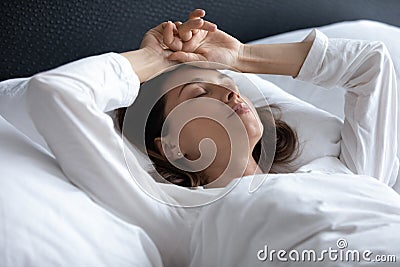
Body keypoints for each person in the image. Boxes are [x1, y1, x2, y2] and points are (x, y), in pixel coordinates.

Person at [2, 8, 398, 266]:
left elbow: (372, 64)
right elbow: (53, 93)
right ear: (170, 145)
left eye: (227, 84)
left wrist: (241, 56)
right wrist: (151, 60)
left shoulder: (348, 170)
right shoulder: (179, 215)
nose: (230, 92)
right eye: (197, 95)